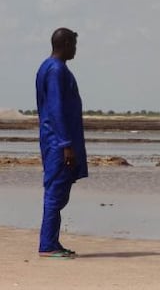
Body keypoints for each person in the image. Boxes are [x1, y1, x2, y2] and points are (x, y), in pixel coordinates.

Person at [36, 28, 88, 258]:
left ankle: (52, 242)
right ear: (65, 43)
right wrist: (66, 144)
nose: (76, 49)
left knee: (58, 191)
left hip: (56, 139)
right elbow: (55, 108)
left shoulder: (49, 68)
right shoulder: (55, 70)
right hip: (58, 142)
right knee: (55, 192)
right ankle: (47, 245)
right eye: (74, 45)